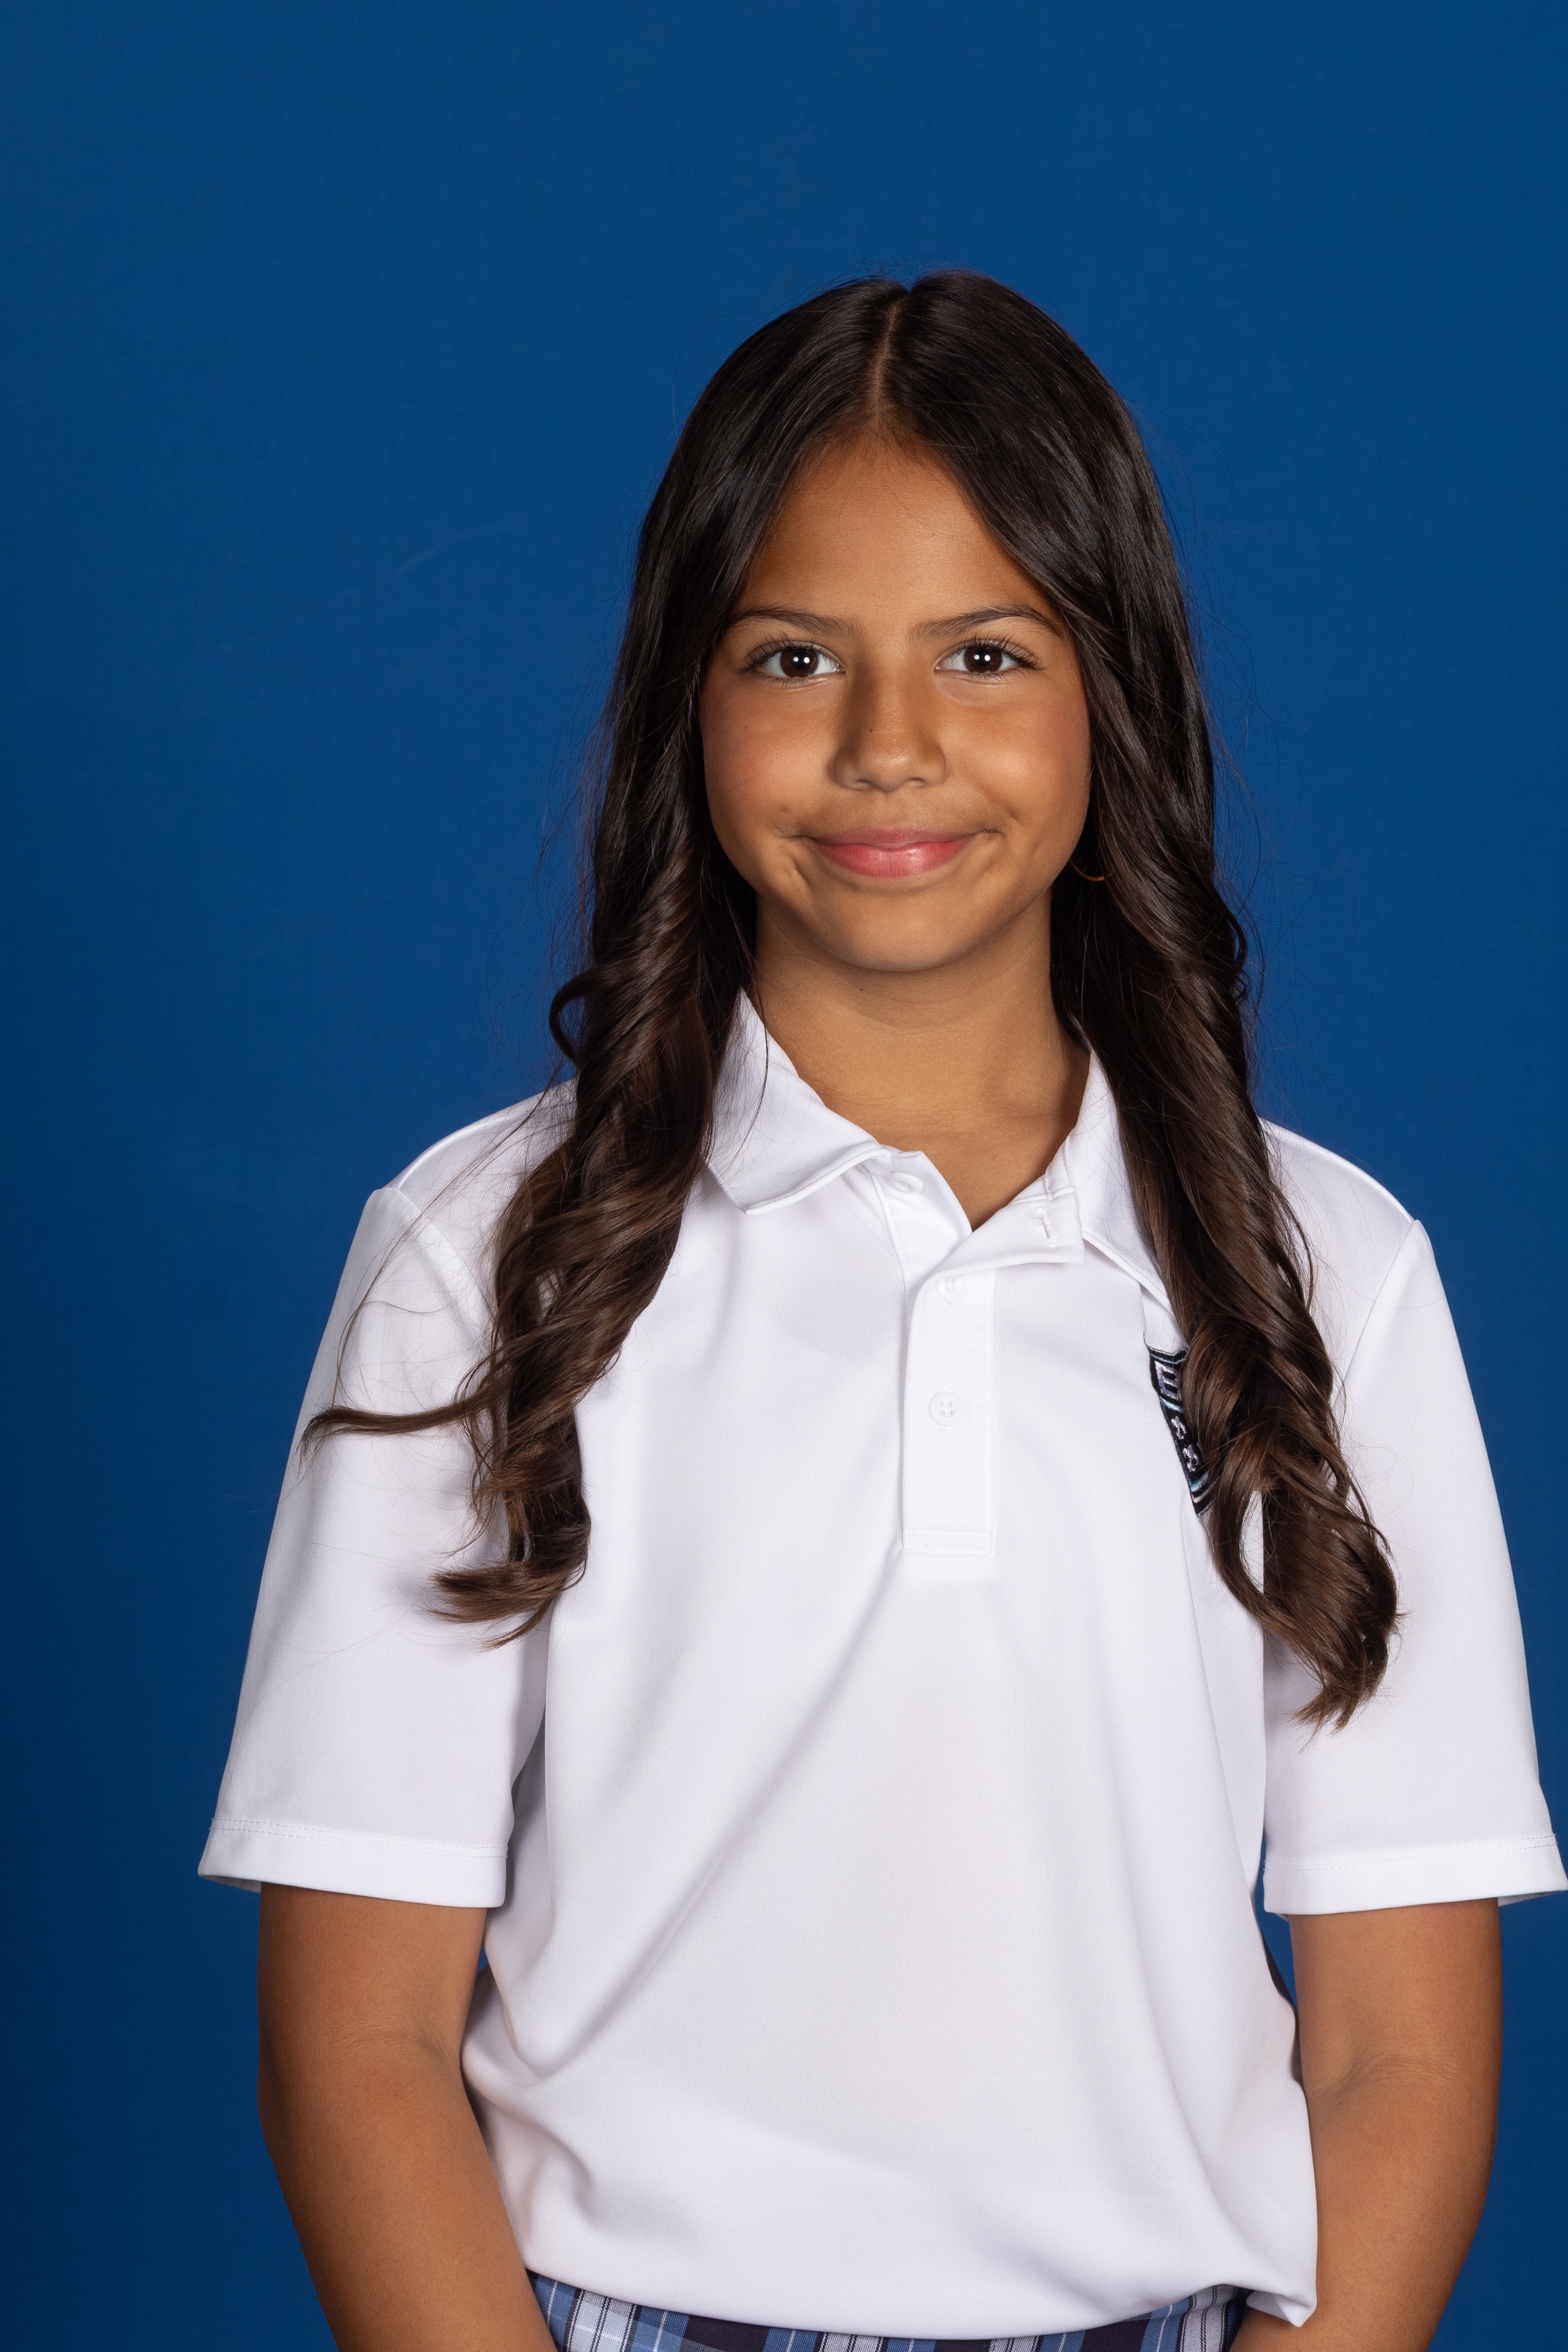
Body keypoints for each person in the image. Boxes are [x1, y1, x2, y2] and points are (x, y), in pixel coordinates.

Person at [200, 273, 1564, 2352]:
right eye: (796, 654)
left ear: (1116, 695)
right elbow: (359, 2042)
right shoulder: (484, 1262)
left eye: (987, 652)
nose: (889, 743)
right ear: (687, 696)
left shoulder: (1325, 1276)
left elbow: (1403, 2049)